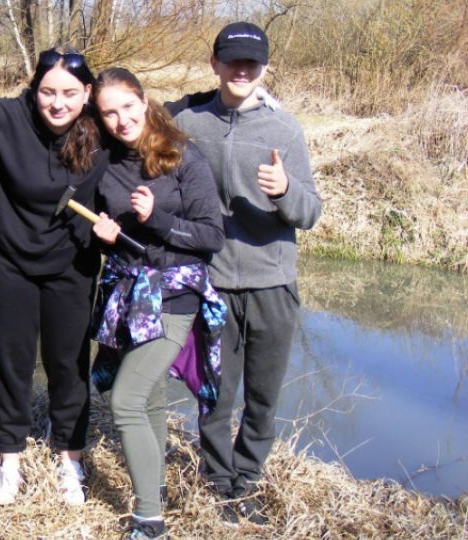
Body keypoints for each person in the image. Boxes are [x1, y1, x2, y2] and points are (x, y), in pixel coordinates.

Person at [172, 22, 322, 524]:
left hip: (272, 284)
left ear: (265, 69)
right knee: (214, 393)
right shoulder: (188, 120)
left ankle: (247, 482)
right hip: (211, 281)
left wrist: (284, 191)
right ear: (214, 64)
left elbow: (310, 211)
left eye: (251, 63)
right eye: (231, 61)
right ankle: (218, 483)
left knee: (262, 396)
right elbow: (131, 120)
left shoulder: (285, 129)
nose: (242, 70)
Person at [90, 67, 225, 539]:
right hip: (128, 294)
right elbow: (119, 237)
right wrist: (105, 238)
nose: (121, 119)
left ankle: (149, 520)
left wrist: (161, 218)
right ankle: (158, 487)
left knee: (125, 400)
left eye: (127, 106)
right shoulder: (107, 163)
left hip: (176, 297)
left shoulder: (183, 156)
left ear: (144, 101)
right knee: (146, 397)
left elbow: (212, 235)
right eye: (109, 113)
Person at [0, 47, 108, 507]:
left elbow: (154, 123)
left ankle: (69, 457)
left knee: (68, 363)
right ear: (34, 90)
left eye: (70, 93)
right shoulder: (4, 118)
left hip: (72, 265)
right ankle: (9, 459)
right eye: (48, 92)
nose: (57, 103)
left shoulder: (103, 130)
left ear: (87, 93)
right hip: (7, 262)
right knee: (11, 361)